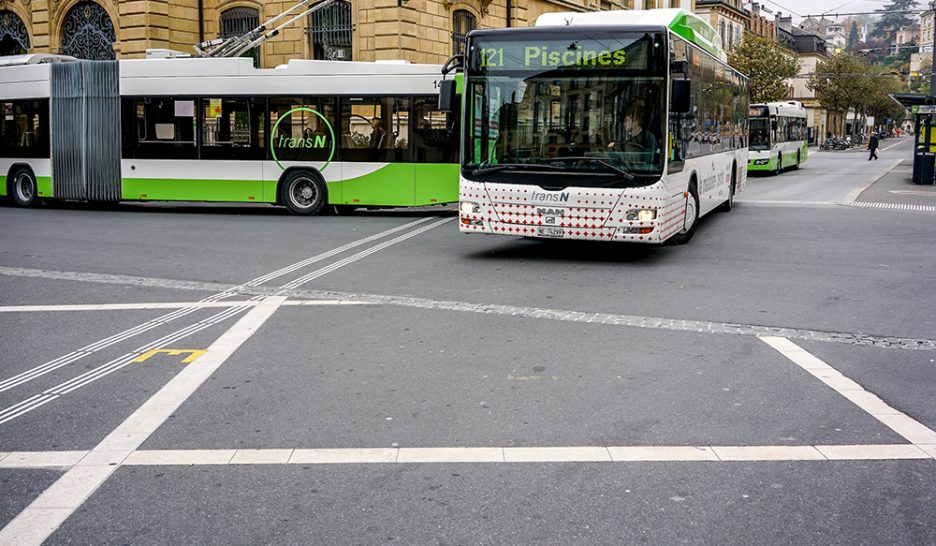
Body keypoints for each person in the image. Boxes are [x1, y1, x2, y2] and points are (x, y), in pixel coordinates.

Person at [610, 101, 661, 165]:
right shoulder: (626, 136)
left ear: (635, 122)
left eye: (626, 121)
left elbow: (649, 158)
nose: (624, 124)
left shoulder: (649, 137)